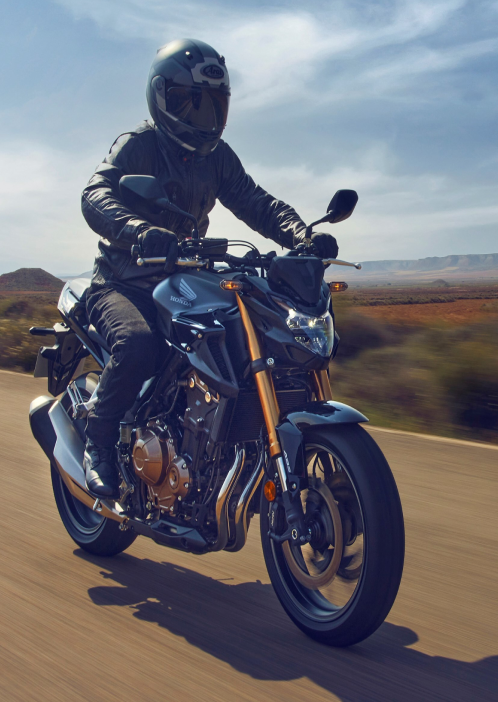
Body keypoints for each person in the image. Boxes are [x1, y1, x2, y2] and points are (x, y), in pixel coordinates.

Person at [79, 38, 338, 499]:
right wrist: (139, 231)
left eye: (212, 105)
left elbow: (257, 202)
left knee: (245, 334)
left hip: (184, 280)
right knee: (138, 344)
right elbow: (95, 194)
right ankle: (98, 445)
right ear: (163, 98)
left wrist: (301, 236)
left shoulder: (217, 158)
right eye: (191, 103)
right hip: (125, 282)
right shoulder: (139, 146)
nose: (205, 117)